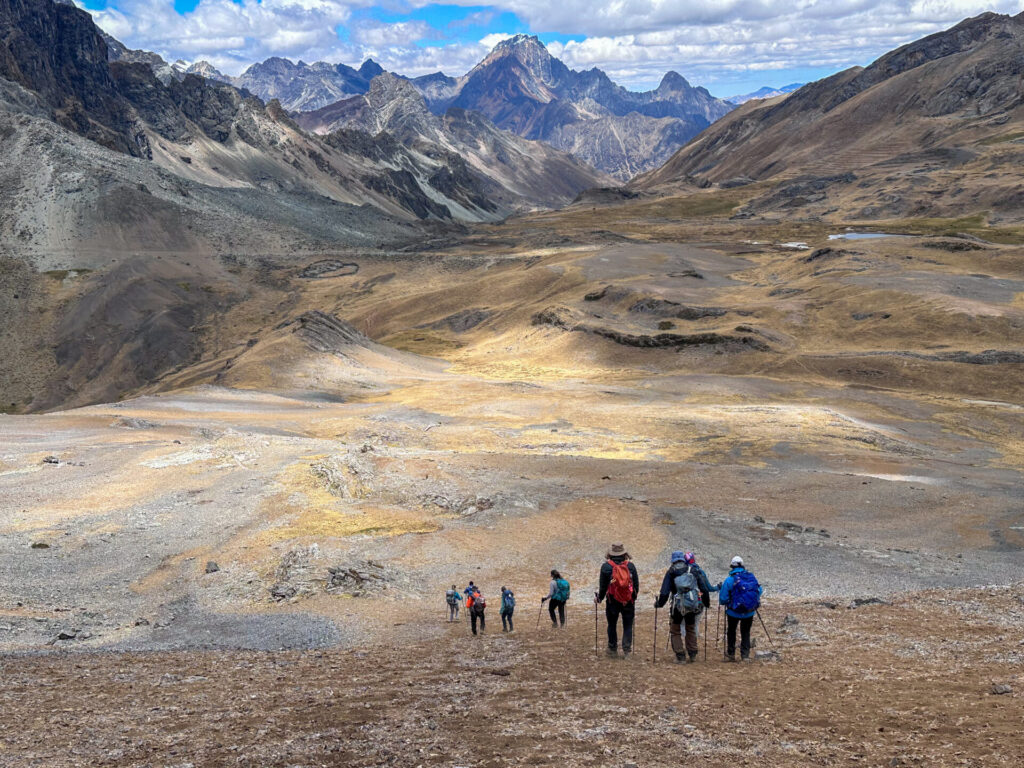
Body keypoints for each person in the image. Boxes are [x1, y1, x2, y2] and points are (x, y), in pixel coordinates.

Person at [654, 551, 714, 663]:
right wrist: (706, 603)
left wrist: (659, 604)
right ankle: (692, 654)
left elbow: (664, 592)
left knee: (675, 630)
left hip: (677, 606)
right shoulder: (692, 570)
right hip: (692, 604)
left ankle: (680, 656)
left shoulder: (671, 572)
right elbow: (704, 589)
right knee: (690, 628)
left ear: (673, 561)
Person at [595, 543, 639, 658]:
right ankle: (627, 650)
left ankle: (612, 648)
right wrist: (632, 598)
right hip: (628, 601)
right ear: (624, 553)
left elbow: (603, 586)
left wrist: (599, 598)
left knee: (612, 624)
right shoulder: (631, 566)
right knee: (628, 625)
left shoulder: (606, 567)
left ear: (610, 554)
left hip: (612, 600)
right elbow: (636, 586)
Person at [718, 556, 762, 661]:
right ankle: (745, 655)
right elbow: (759, 590)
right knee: (745, 632)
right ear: (742, 565)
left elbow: (723, 598)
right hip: (749, 611)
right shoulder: (751, 577)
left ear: (732, 566)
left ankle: (731, 654)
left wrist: (729, 602)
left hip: (733, 611)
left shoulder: (729, 580)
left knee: (731, 631)